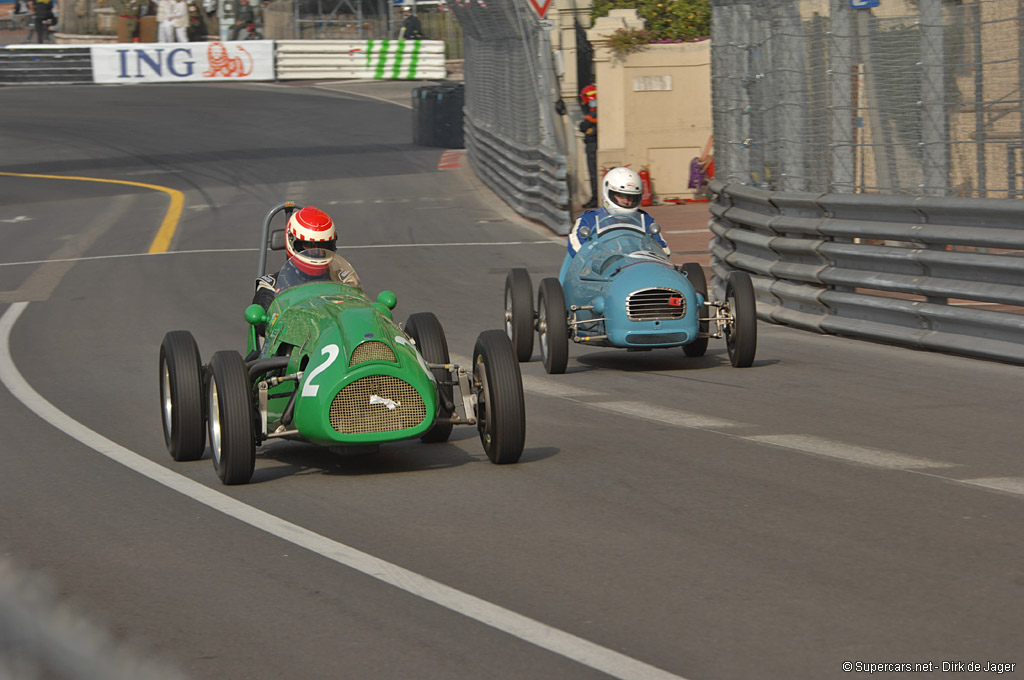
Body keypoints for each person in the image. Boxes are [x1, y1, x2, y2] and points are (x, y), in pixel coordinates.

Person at [559, 167, 669, 280]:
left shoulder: (645, 219)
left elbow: (662, 249)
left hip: (639, 270)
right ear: (607, 192)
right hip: (600, 275)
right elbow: (577, 248)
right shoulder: (589, 218)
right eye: (621, 196)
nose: (626, 201)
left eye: (631, 197)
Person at [252, 206, 338, 333]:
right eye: (309, 245)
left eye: (324, 245)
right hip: (293, 344)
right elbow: (263, 326)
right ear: (292, 242)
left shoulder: (343, 279)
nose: (316, 252)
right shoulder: (270, 285)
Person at [579, 84, 598, 209]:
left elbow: (583, 126)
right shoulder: (597, 111)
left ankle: (595, 198)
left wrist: (590, 130)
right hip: (592, 144)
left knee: (593, 173)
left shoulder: (593, 113)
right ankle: (595, 196)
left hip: (592, 145)